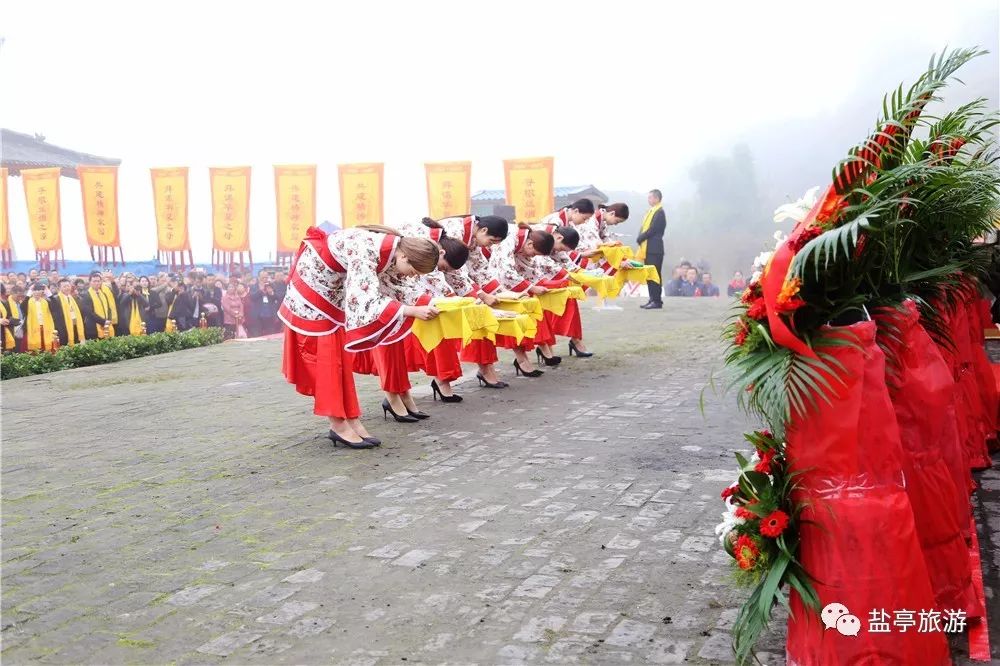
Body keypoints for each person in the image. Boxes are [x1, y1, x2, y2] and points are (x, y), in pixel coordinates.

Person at [279, 225, 441, 448]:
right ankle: (338, 423)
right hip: (314, 289)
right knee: (327, 358)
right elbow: (365, 300)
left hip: (332, 288)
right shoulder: (366, 251)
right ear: (404, 256)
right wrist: (410, 310)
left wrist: (435, 304)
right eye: (414, 271)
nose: (412, 276)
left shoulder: (391, 250)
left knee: (338, 359)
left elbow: (398, 286)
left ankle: (350, 418)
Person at [486, 224, 556, 377]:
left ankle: (523, 358)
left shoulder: (523, 241)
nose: (532, 256)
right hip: (486, 279)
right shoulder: (508, 239)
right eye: (534, 253)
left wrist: (535, 285)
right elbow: (505, 272)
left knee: (523, 312)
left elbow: (529, 269)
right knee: (511, 315)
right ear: (530, 244)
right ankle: (520, 360)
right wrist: (531, 288)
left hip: (495, 281)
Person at [636, 189, 667, 309]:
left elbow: (653, 229)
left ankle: (657, 301)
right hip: (647, 249)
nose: (648, 200)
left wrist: (641, 237)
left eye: (650, 197)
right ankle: (652, 298)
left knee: (655, 274)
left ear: (657, 199)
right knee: (649, 274)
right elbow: (645, 227)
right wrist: (641, 236)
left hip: (655, 248)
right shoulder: (651, 212)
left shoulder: (659, 212)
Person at [80, 271, 119, 339]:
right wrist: (103, 322)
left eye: (98, 281)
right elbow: (89, 313)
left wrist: (108, 320)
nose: (97, 283)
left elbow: (108, 308)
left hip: (106, 325)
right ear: (90, 282)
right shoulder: (86, 295)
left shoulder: (103, 293)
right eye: (94, 281)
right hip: (93, 328)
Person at [49, 278, 86, 346]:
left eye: (68, 286)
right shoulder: (56, 299)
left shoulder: (73, 298)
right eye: (64, 286)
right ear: (59, 288)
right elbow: (56, 318)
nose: (67, 288)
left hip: (75, 327)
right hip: (64, 329)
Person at [25, 283, 56, 352]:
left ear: (42, 292)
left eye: (39, 290)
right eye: (35, 290)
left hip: (45, 329)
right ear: (32, 292)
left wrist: (49, 293)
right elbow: (22, 307)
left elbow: (56, 306)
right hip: (33, 330)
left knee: (47, 350)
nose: (37, 292)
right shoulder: (27, 302)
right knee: (35, 352)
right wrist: (28, 293)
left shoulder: (46, 302)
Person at [0, 283, 22, 353]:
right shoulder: (6, 303)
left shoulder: (2, 303)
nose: (20, 298)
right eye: (18, 296)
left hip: (17, 332)